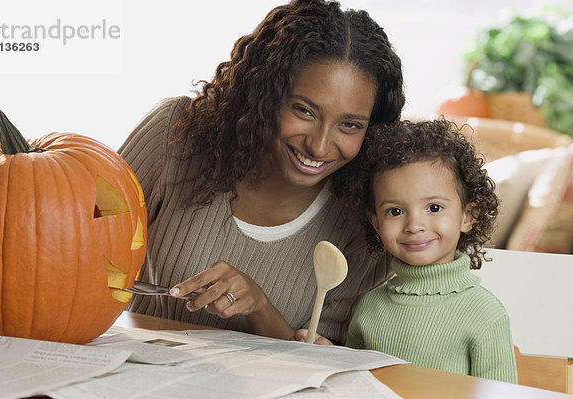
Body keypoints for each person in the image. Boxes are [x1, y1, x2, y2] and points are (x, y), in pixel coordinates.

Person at [118, 0, 405, 344]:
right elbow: (81, 243)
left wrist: (259, 306)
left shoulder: (366, 225)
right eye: (304, 110)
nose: (319, 146)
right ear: (264, 95)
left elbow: (315, 365)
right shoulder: (175, 133)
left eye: (349, 125)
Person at [343, 119, 518, 383]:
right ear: (376, 222)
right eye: (395, 211)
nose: (414, 226)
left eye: (434, 208)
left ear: (468, 215)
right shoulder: (369, 307)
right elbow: (350, 387)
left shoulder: (484, 313)